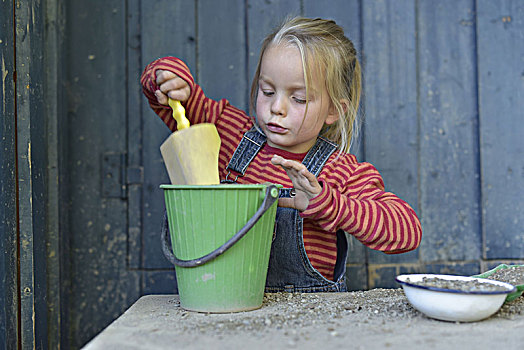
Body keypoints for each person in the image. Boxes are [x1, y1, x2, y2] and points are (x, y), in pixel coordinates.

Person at [141, 16, 422, 292]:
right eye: (267, 91)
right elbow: (173, 98)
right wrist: (169, 79)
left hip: (309, 324)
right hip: (226, 307)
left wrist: (328, 205)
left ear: (334, 110)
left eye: (298, 98)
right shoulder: (227, 132)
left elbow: (407, 230)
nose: (277, 107)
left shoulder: (340, 171)